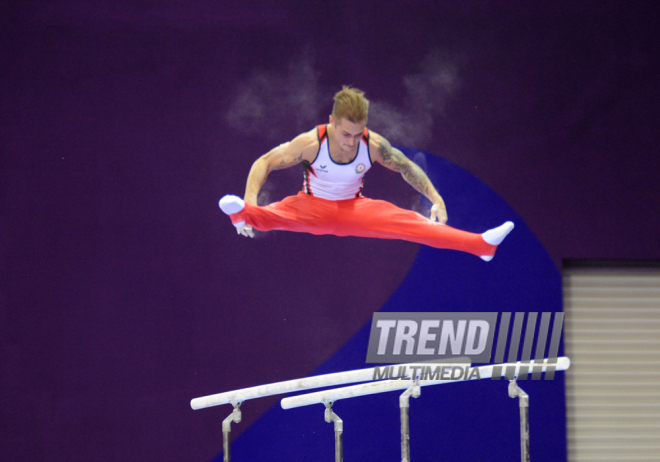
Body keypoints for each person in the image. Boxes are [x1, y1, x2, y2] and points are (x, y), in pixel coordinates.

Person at [219, 86, 513, 261]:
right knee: (270, 215)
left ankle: (481, 245)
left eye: (358, 134)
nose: (351, 141)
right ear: (332, 121)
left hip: (353, 209)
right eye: (346, 133)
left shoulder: (373, 145)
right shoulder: (310, 143)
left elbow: (407, 168)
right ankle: (242, 213)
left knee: (413, 224)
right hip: (311, 206)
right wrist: (251, 200)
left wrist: (435, 197)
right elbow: (264, 162)